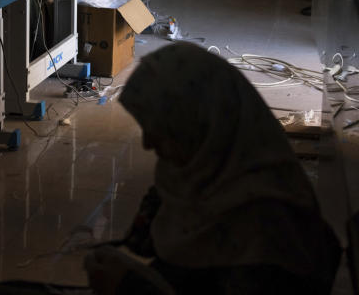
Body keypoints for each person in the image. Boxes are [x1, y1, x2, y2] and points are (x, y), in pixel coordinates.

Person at [84, 43, 340, 295]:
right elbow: (161, 246)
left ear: (203, 127)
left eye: (163, 131)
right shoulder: (206, 172)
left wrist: (128, 286)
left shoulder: (266, 232)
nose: (147, 144)